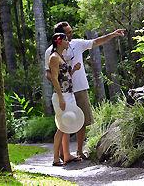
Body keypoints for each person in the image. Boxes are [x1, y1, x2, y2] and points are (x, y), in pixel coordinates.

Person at [45, 22, 125, 159]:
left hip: (80, 87)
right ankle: (65, 155)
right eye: (68, 33)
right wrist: (58, 82)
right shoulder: (51, 52)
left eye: (71, 31)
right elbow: (48, 73)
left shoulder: (77, 43)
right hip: (64, 92)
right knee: (65, 122)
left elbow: (96, 42)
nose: (71, 34)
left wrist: (112, 34)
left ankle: (79, 151)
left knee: (81, 120)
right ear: (60, 35)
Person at [48, 33, 83, 166]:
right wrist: (61, 97)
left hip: (69, 94)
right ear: (59, 41)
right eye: (66, 39)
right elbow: (54, 79)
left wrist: (73, 69)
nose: (68, 41)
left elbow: (65, 77)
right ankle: (56, 158)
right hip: (61, 96)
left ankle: (64, 157)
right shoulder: (54, 58)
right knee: (61, 126)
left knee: (65, 125)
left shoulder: (61, 56)